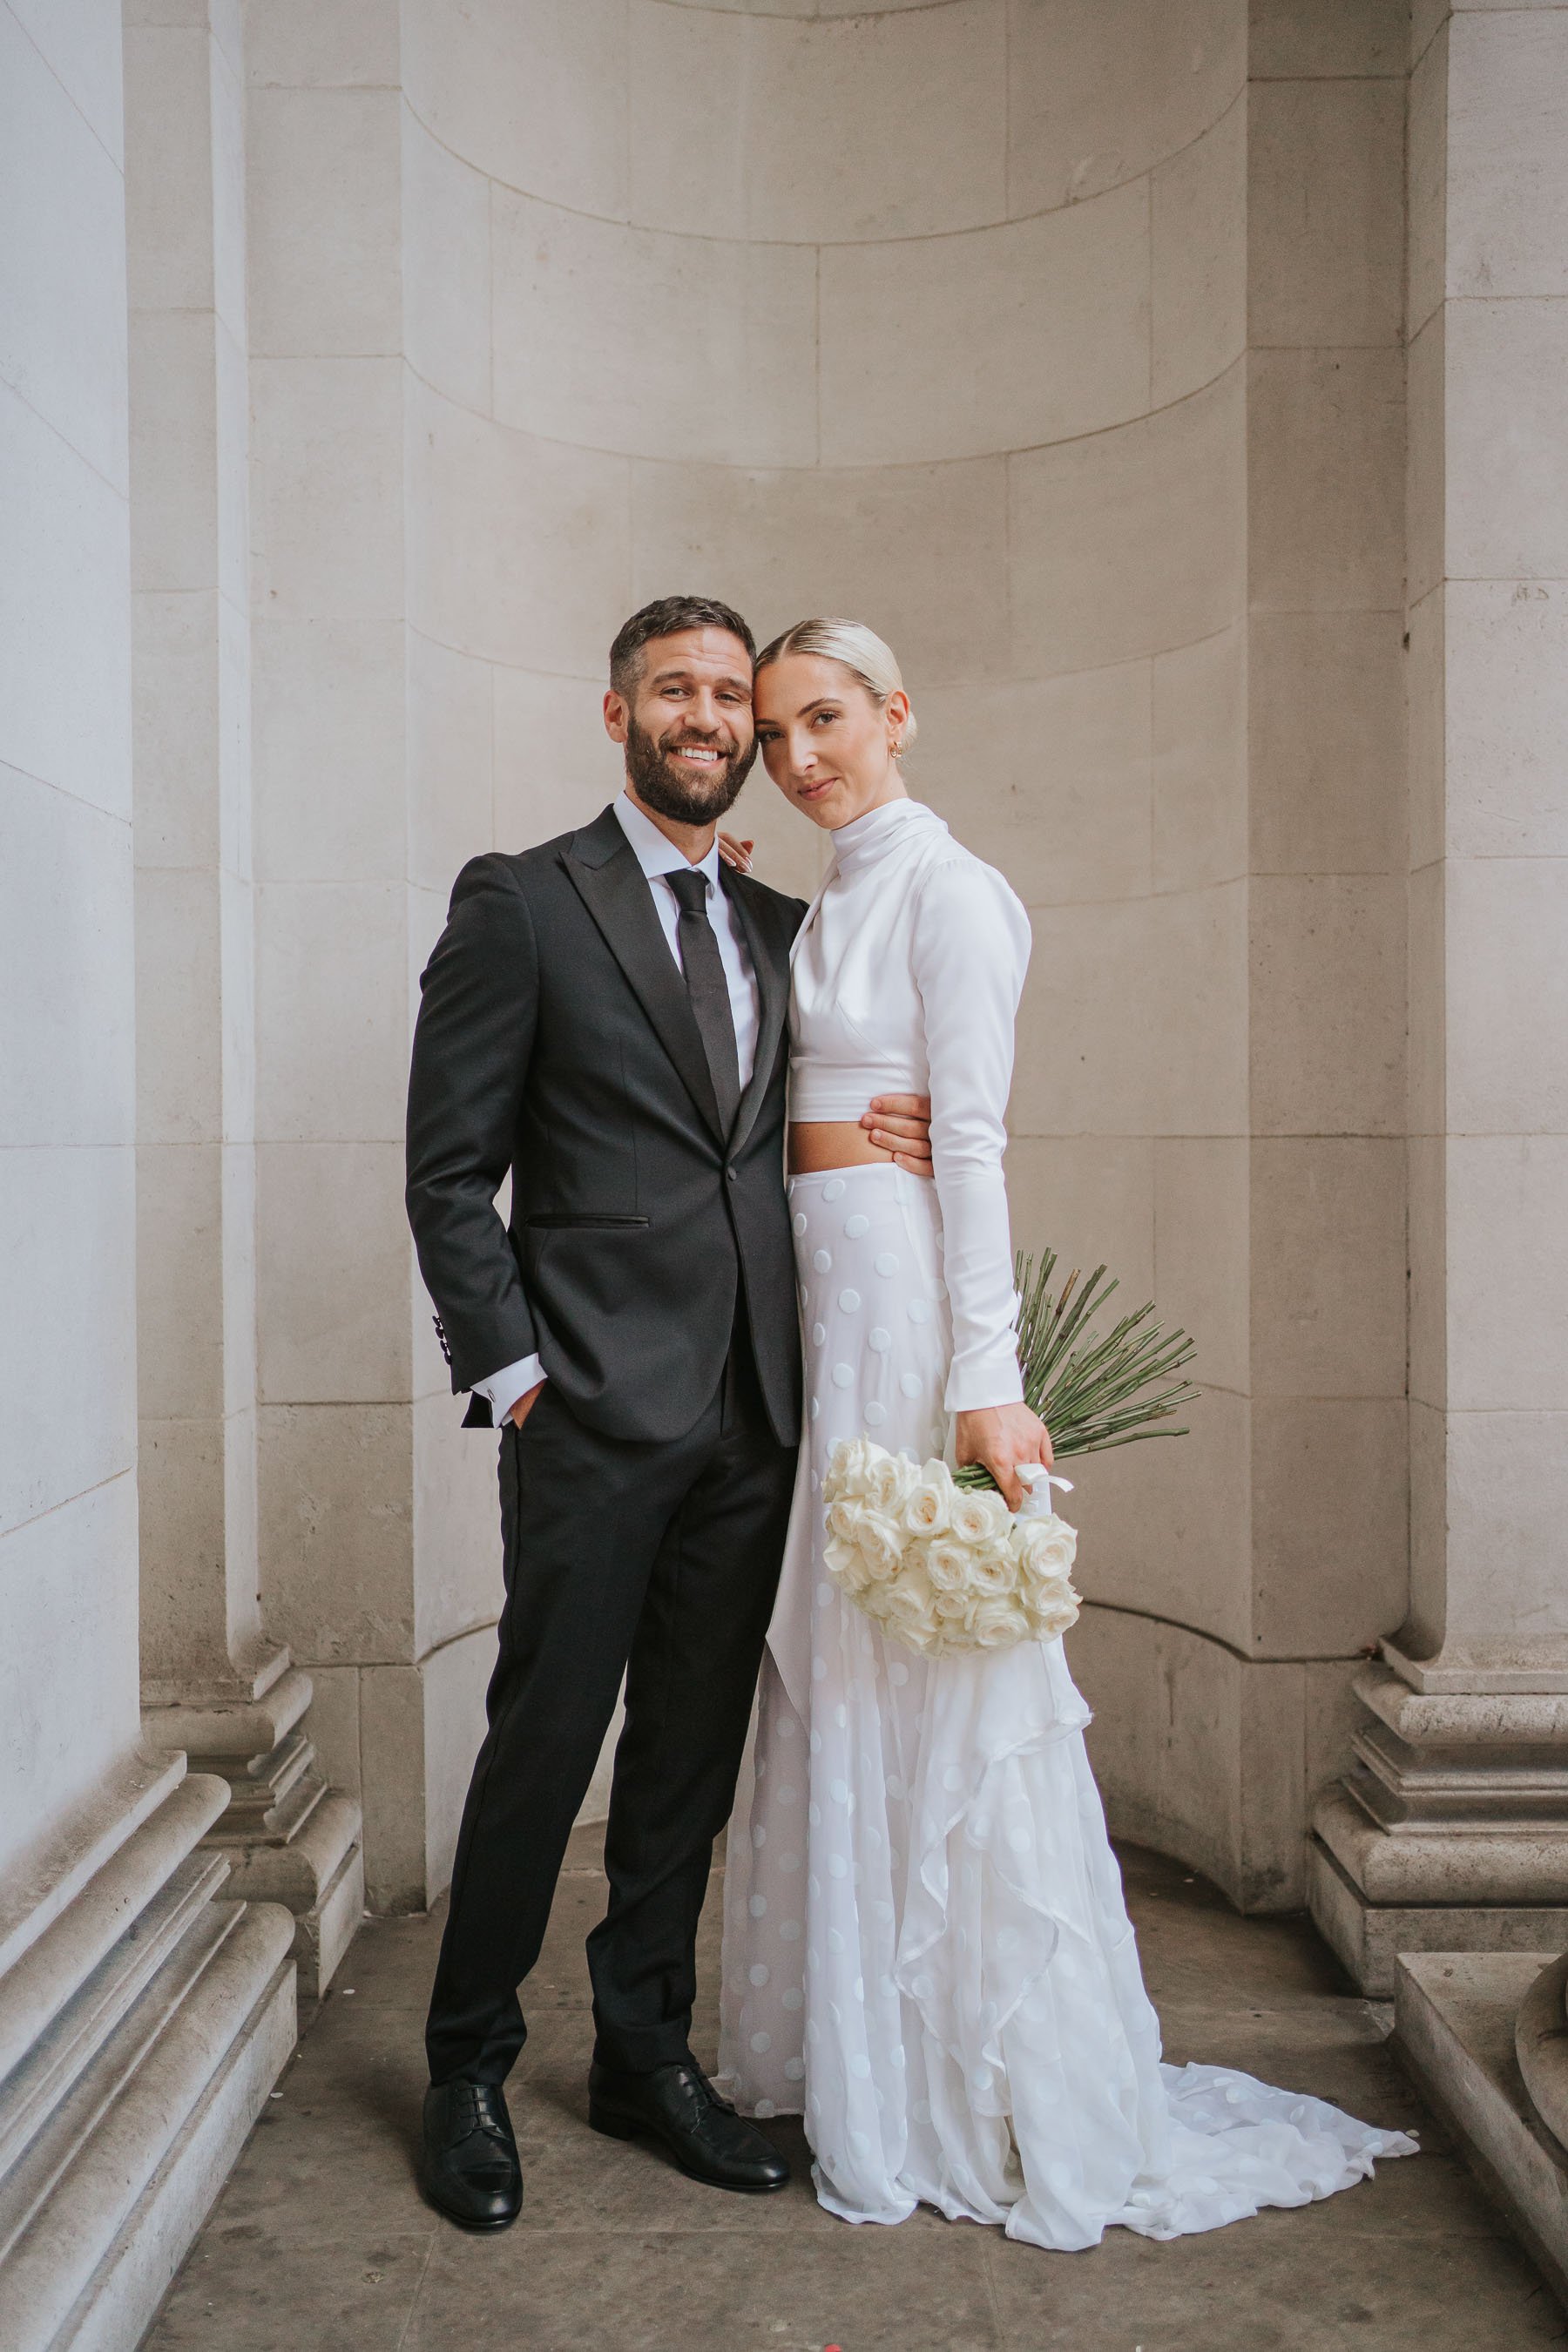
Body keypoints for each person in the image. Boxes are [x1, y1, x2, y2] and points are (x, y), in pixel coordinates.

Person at [717, 618, 1417, 2247]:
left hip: (898, 1302)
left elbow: (971, 1141)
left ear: (899, 713)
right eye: (776, 732)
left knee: (925, 1660)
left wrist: (988, 1375)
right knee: (836, 1659)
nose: (804, 753)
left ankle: (969, 2070)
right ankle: (855, 2050)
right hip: (818, 1294)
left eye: (828, 719)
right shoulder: (829, 891)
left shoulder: (956, 890)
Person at [404, 595, 936, 2231]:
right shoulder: (525, 903)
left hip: (753, 1422)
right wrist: (519, 1382)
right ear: (618, 710)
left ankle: (643, 2053)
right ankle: (469, 2069)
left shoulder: (785, 927)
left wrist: (884, 1137)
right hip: (585, 1417)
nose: (714, 720)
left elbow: (771, 1143)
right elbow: (447, 1170)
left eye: (736, 700)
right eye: (681, 692)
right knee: (545, 1745)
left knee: (689, 1763)